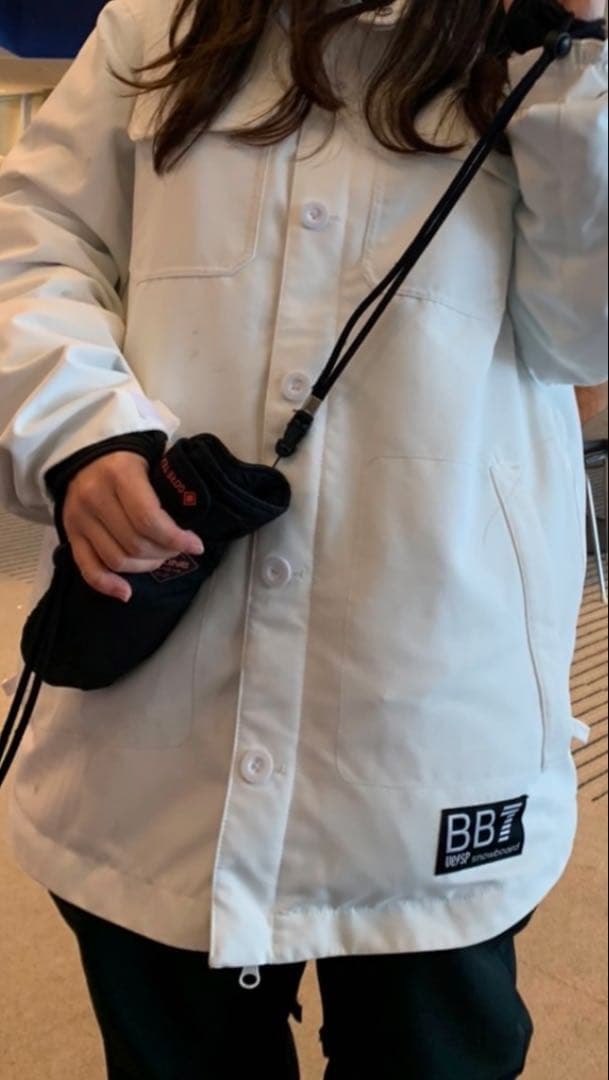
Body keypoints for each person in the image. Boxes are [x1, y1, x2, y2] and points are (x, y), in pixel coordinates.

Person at [0, 1, 607, 1077]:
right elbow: (37, 243)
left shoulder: (545, 42)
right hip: (160, 721)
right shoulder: (159, 20)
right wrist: (82, 430)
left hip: (431, 721)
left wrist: (577, 59)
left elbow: (587, 335)